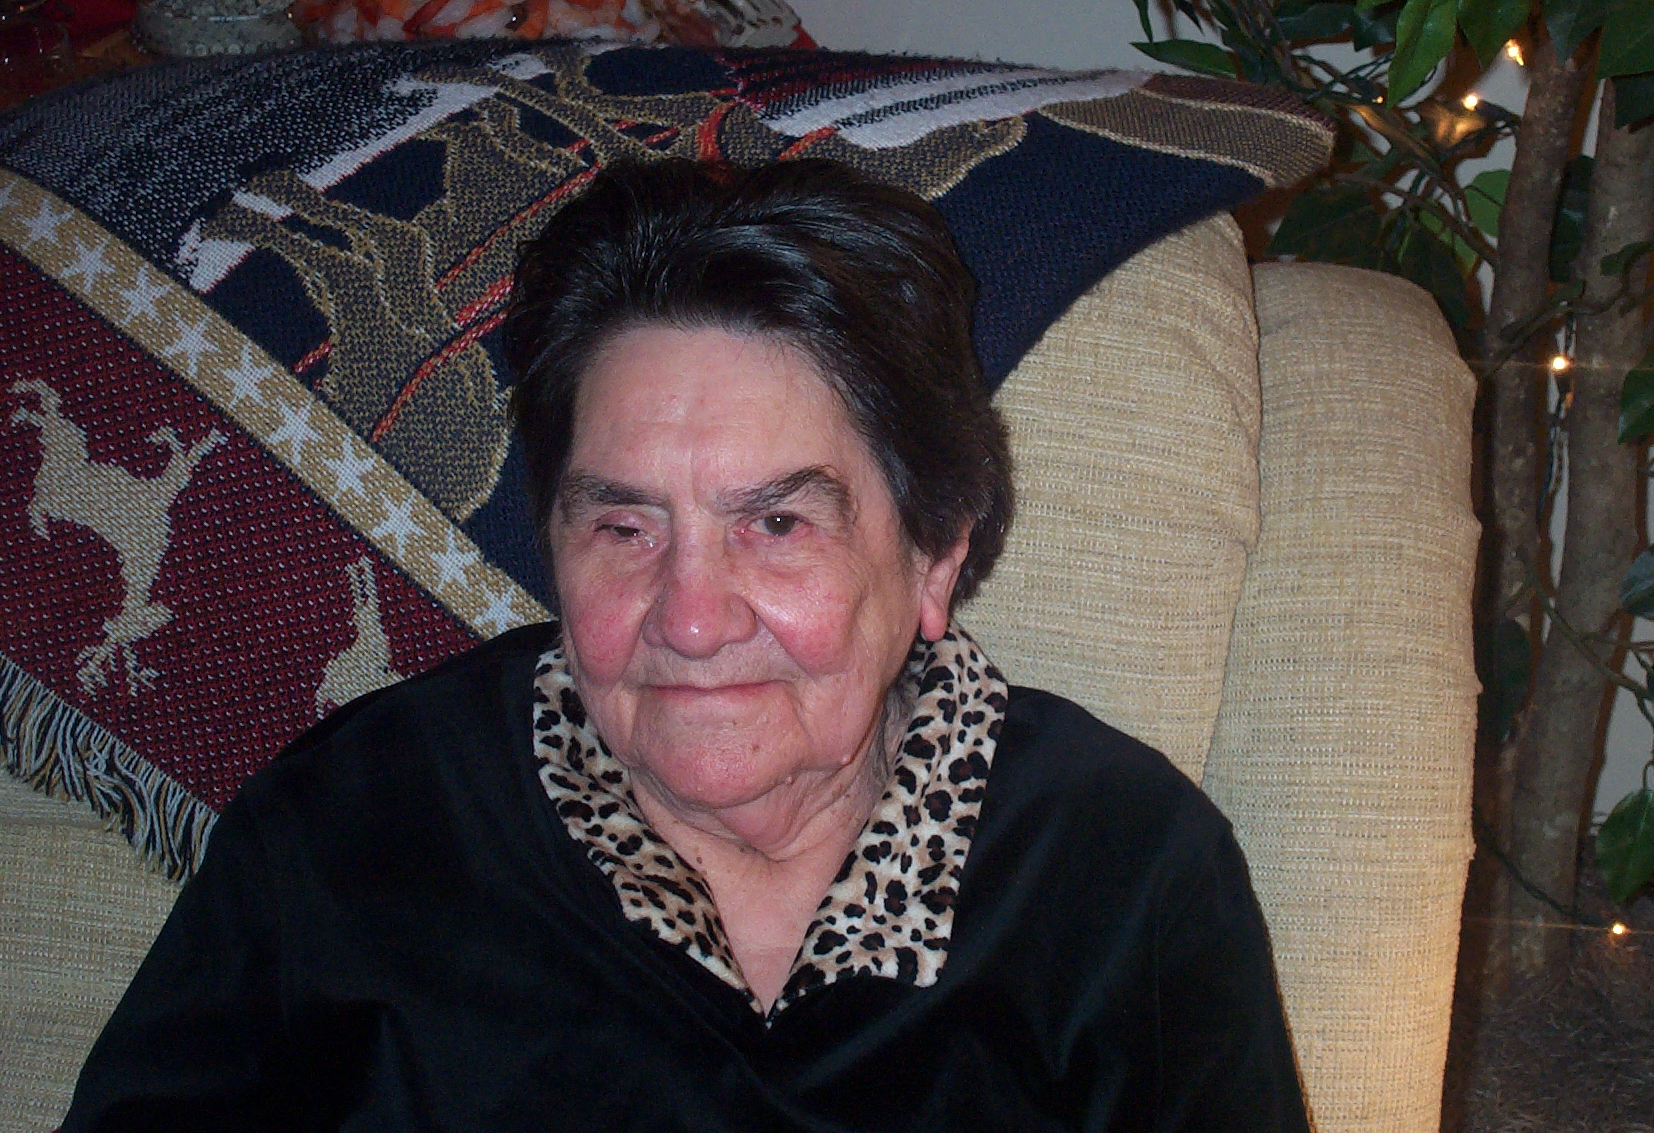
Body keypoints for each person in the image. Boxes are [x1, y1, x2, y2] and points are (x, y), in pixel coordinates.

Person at [63, 159, 1309, 1131]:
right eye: (624, 526)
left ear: (933, 554)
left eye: (776, 524)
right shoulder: (352, 828)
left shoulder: (1117, 874)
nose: (693, 618)